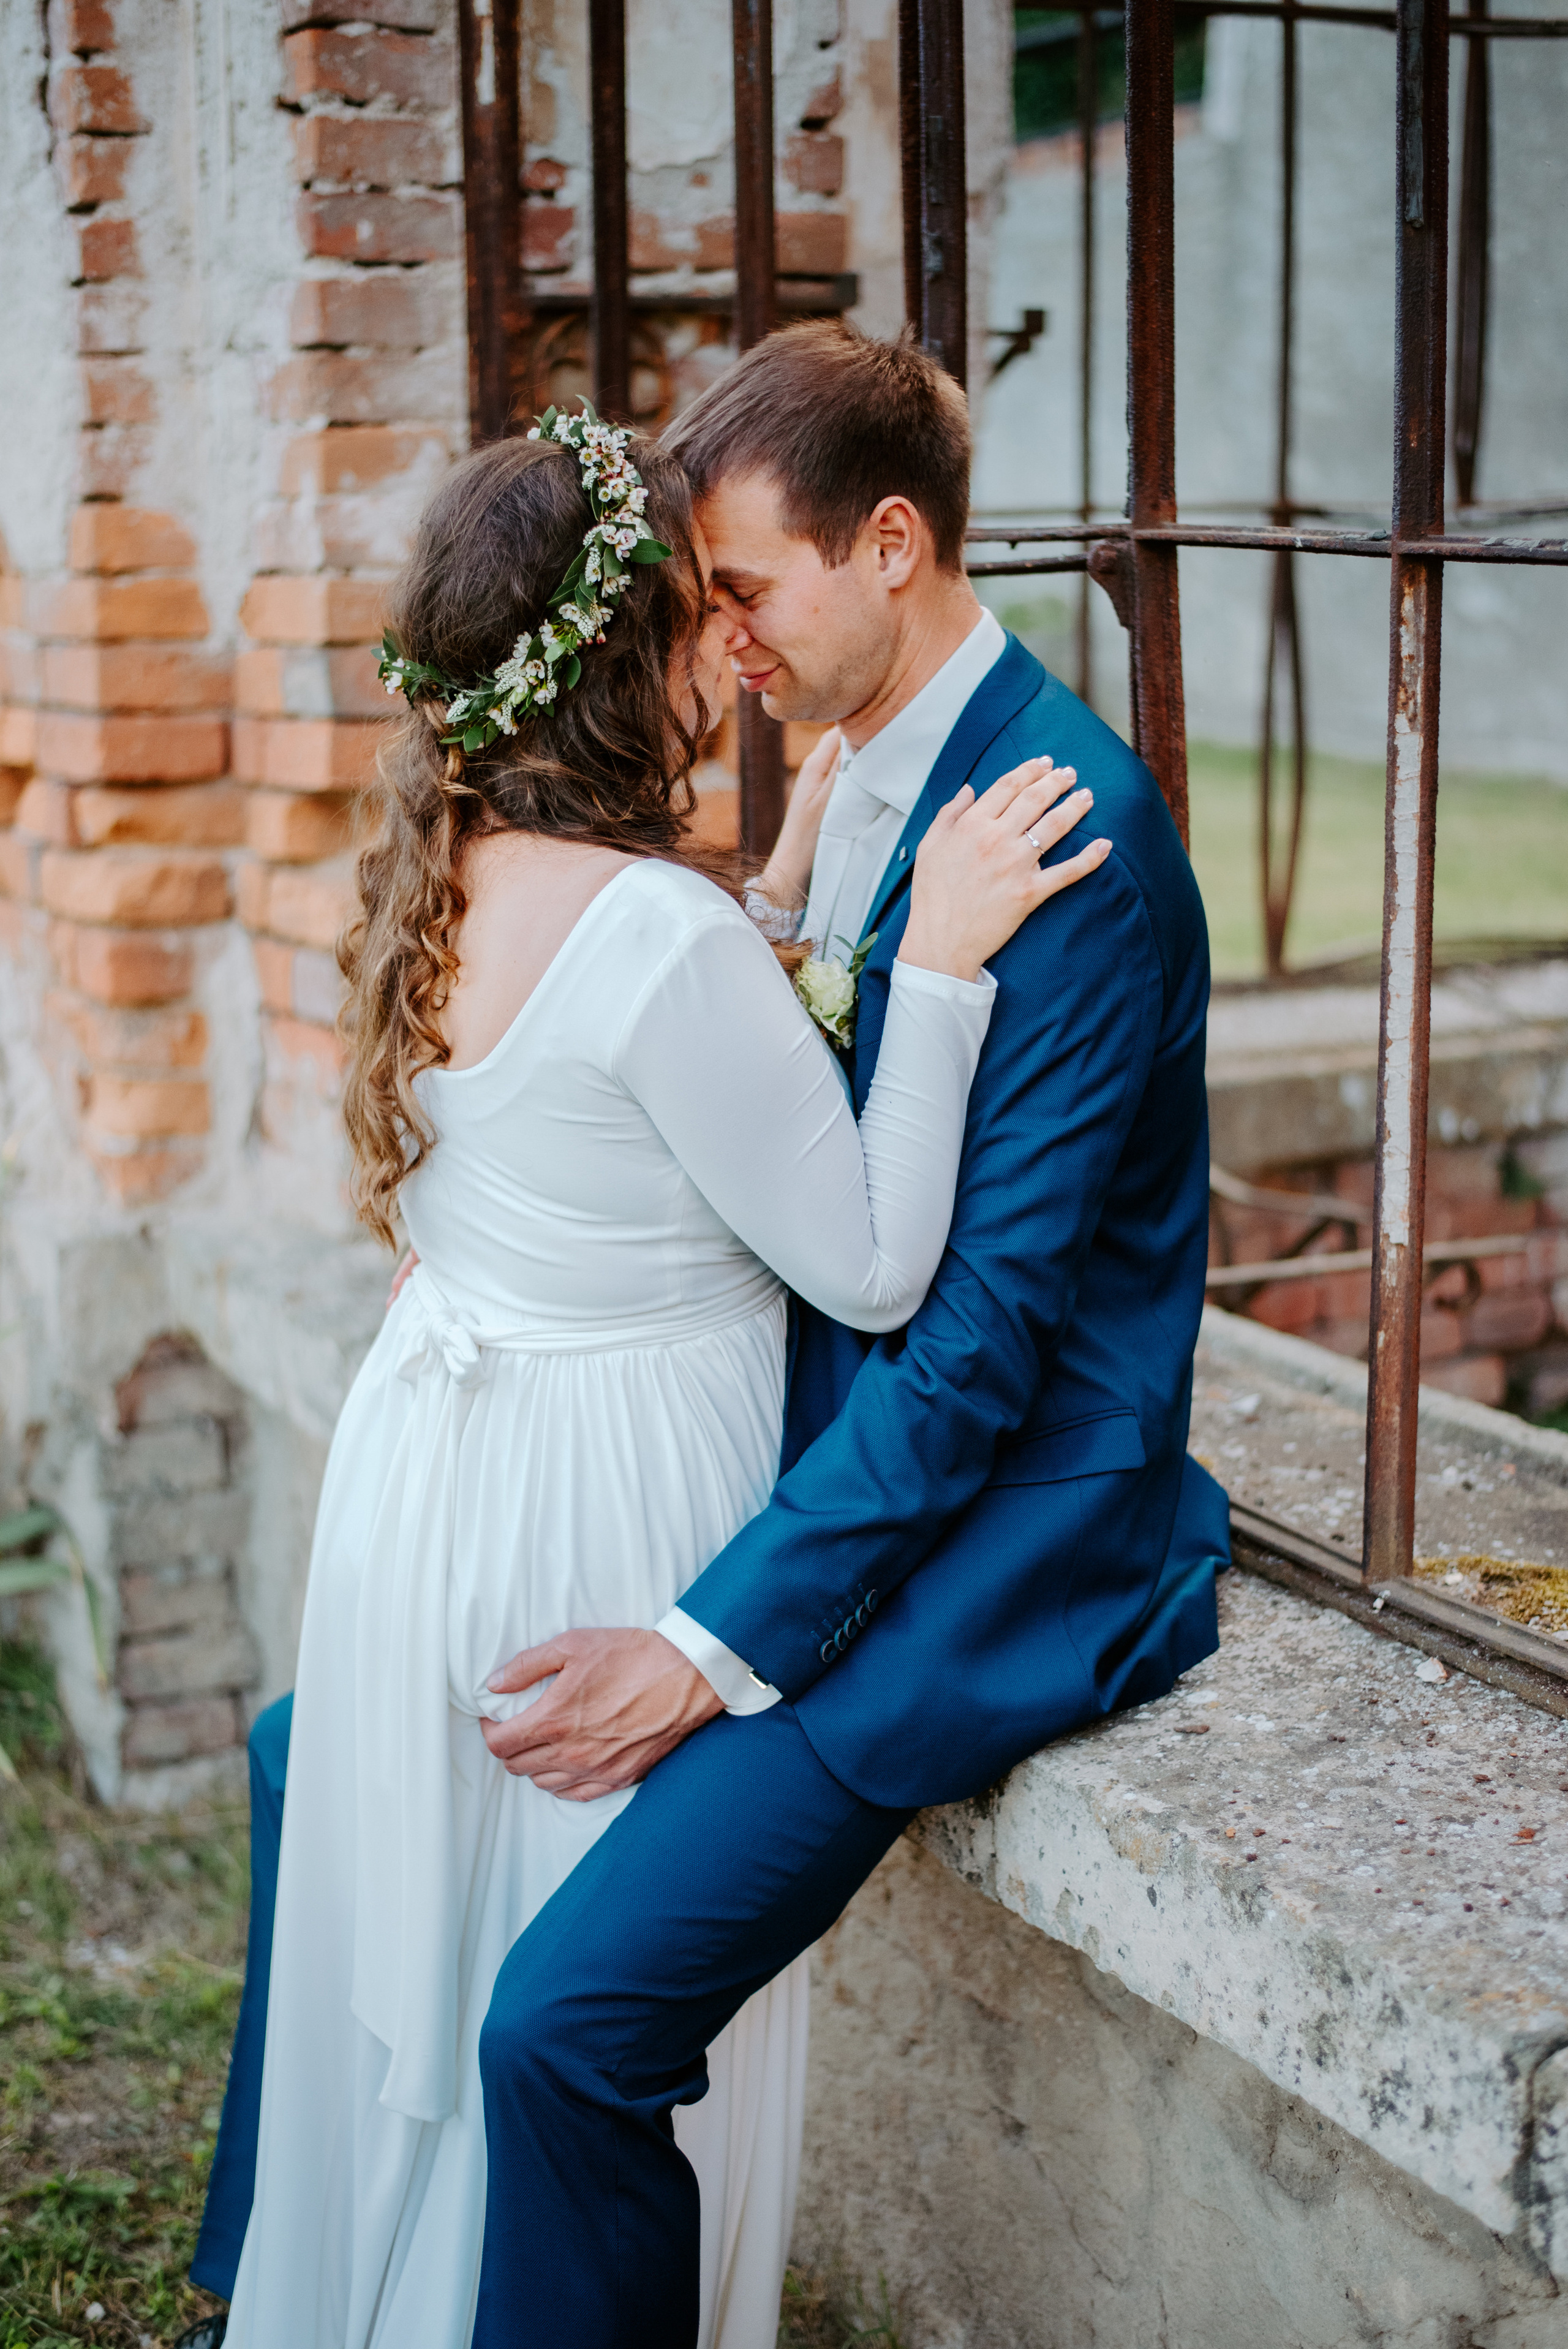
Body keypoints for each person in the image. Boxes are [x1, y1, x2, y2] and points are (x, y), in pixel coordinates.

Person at [181, 323, 1226, 2349]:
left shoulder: (1065, 837)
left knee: (562, 2028)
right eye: (695, 603)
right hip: (797, 1461)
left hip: (963, 1537)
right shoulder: (837, 809)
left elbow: (976, 1346)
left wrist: (698, 1640)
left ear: (891, 548)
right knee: (324, 1749)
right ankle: (294, 2269)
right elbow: (733, 1101)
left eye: (741, 586)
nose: (722, 636)